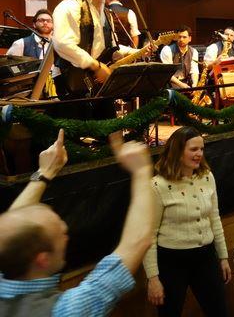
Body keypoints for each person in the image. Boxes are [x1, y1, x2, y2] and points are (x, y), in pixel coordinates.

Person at [0, 130, 154, 316]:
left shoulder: (7, 257)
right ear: (42, 259)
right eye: (61, 234)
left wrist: (45, 172)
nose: (66, 232)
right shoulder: (66, 311)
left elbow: (11, 225)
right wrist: (141, 170)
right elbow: (136, 243)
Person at [143, 126, 231, 317]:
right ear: (177, 151)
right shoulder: (157, 186)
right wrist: (153, 278)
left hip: (206, 257)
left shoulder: (207, 176)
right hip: (172, 262)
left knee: (219, 311)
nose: (199, 154)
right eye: (193, 149)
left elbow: (214, 219)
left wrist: (223, 257)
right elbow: (148, 235)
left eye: (201, 149)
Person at [52, 0, 136, 96]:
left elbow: (108, 48)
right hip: (72, 82)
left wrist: (136, 52)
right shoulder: (70, 6)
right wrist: (96, 66)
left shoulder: (107, 12)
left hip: (97, 84)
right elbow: (63, 44)